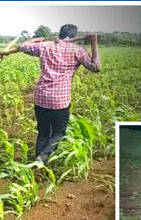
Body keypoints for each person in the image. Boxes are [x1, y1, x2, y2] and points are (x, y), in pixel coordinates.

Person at [18, 24, 101, 164]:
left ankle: (38, 164)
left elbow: (22, 46)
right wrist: (94, 43)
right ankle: (44, 155)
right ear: (74, 36)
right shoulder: (78, 50)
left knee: (43, 133)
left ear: (60, 34)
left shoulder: (45, 46)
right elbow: (96, 67)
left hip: (41, 97)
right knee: (58, 133)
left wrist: (38, 39)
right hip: (60, 101)